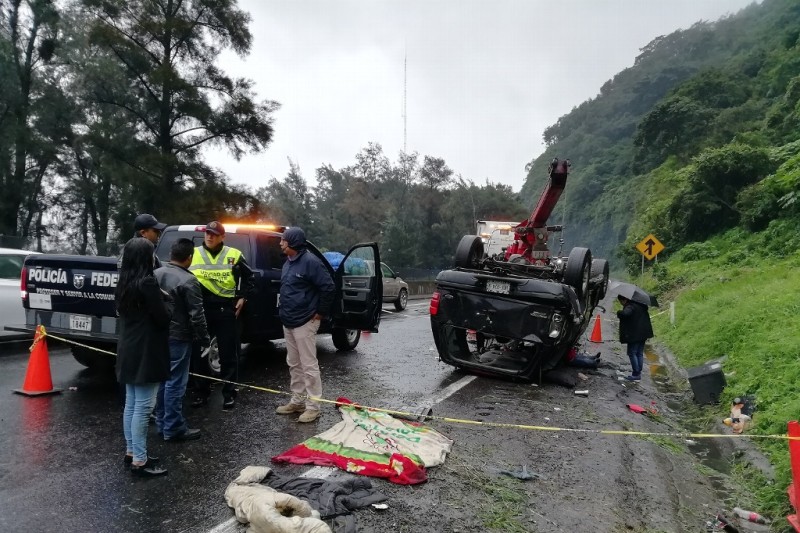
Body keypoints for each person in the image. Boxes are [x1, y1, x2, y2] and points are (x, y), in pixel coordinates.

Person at [115, 237, 171, 477]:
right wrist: (167, 300)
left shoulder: (124, 282)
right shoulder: (148, 283)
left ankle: (132, 451)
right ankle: (140, 459)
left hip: (129, 347)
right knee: (144, 407)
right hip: (147, 350)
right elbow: (163, 317)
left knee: (132, 404)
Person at [189, 221, 253, 410]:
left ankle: (229, 394)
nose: (210, 236)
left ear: (222, 237)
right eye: (208, 233)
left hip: (226, 309)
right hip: (201, 309)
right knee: (200, 354)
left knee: (228, 354)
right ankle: (201, 393)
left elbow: (250, 278)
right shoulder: (194, 253)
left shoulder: (233, 254)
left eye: (214, 234)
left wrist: (243, 297)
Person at [274, 227, 335, 423]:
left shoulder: (311, 262)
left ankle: (313, 406)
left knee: (308, 365)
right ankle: (297, 401)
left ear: (293, 242)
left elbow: (328, 287)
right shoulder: (288, 263)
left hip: (305, 321)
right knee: (294, 363)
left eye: (283, 240)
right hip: (289, 320)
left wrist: (319, 313)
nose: (280, 243)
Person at [154, 238, 211, 441]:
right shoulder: (189, 280)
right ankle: (174, 427)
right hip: (179, 336)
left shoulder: (156, 274)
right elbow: (197, 314)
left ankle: (162, 424)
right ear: (189, 258)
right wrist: (205, 340)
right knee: (176, 383)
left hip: (159, 334)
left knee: (162, 380)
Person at [617, 295, 653, 382]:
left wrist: (619, 312)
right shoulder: (641, 304)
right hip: (643, 333)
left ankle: (636, 374)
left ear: (624, 300)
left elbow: (626, 314)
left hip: (634, 334)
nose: (621, 304)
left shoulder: (630, 306)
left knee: (632, 353)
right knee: (639, 353)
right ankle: (638, 372)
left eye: (621, 302)